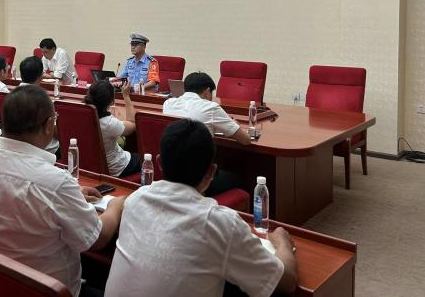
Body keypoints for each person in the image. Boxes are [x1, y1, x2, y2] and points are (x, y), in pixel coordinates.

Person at [0, 85, 125, 297]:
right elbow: (96, 239)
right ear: (49, 125)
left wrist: (71, 195)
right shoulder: (55, 183)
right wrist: (116, 206)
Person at [105, 120, 298, 297]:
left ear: (159, 162)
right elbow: (287, 281)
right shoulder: (220, 223)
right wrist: (282, 243)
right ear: (211, 172)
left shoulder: (134, 200)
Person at [163, 72, 250, 196]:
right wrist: (233, 124)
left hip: (172, 174)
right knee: (241, 179)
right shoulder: (210, 107)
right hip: (199, 180)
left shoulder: (168, 104)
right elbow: (245, 140)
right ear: (207, 91)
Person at [84, 80, 140, 177]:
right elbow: (133, 123)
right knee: (146, 158)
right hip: (115, 168)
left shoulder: (80, 113)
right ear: (111, 102)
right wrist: (126, 96)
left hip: (88, 165)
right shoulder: (108, 123)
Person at [19, 56, 59, 154]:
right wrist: (55, 119)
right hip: (43, 149)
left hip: (20, 144)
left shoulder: (11, 95)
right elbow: (53, 132)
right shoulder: (43, 100)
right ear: (41, 76)